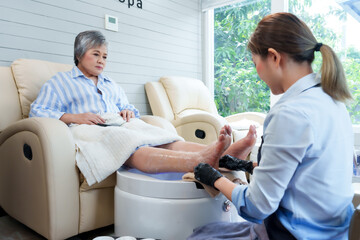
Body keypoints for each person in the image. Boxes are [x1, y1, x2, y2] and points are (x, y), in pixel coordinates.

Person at [191, 12, 354, 240]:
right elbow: (307, 171)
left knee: (200, 234)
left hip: (292, 234)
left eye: (255, 63)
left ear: (274, 57)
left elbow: (257, 206)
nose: (258, 73)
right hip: (332, 232)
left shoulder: (290, 113)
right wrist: (249, 166)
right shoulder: (333, 100)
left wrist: (215, 178)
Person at [29, 30, 257, 175]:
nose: (101, 61)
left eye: (105, 56)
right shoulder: (60, 82)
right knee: (126, 141)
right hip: (89, 130)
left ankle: (224, 156)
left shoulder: (110, 83)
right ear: (79, 55)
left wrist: (128, 111)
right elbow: (37, 111)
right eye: (95, 54)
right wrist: (73, 117)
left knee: (160, 135)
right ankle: (202, 159)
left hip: (120, 124)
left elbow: (127, 106)